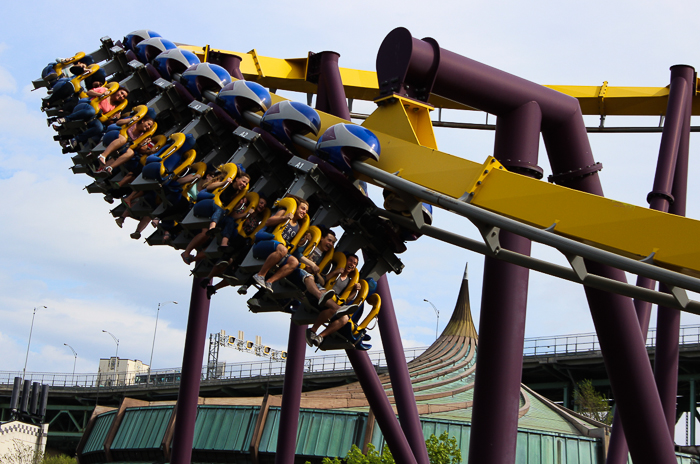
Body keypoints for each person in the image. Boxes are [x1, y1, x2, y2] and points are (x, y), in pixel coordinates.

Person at [180, 171, 250, 264]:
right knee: (217, 213)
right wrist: (223, 183)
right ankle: (211, 228)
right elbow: (208, 187)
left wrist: (239, 205)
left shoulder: (236, 194)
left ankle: (223, 244)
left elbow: (230, 211)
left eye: (246, 183)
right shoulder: (226, 182)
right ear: (237, 179)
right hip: (207, 205)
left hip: (215, 214)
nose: (244, 184)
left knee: (228, 221)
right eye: (243, 181)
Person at [250, 198, 309, 292]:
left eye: (306, 211)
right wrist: (284, 218)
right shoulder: (284, 212)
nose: (304, 212)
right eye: (302, 208)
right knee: (283, 250)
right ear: (296, 207)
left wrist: (302, 243)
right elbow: (268, 222)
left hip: (279, 250)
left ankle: (270, 281)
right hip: (265, 243)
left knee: (294, 262)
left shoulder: (298, 226)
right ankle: (260, 275)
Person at [306, 253, 362, 347]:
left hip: (332, 305)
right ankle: (313, 330)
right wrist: (335, 272)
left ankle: (319, 336)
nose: (352, 264)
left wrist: (355, 291)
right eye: (350, 261)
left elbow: (347, 300)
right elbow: (323, 280)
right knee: (335, 308)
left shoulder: (349, 281)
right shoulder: (334, 269)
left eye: (355, 263)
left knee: (345, 318)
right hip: (320, 296)